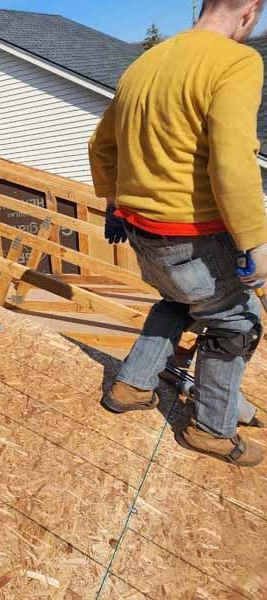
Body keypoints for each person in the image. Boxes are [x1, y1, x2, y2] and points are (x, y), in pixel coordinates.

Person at [89, 0, 267, 466]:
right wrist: (255, 241)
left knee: (179, 302)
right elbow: (232, 159)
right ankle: (211, 429)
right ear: (249, 11)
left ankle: (131, 385)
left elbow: (100, 144)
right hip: (195, 236)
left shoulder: (145, 63)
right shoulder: (237, 60)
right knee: (237, 322)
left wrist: (113, 202)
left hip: (142, 233)